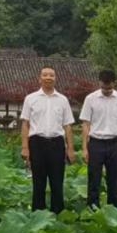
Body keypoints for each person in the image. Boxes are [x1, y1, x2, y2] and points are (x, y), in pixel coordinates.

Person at [20, 66, 75, 214]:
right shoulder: (30, 99)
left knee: (57, 181)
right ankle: (38, 214)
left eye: (51, 75)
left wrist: (70, 149)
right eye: (45, 75)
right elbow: (25, 124)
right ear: (40, 78)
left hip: (57, 143)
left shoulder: (62, 100)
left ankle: (58, 213)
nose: (48, 77)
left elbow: (68, 125)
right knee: (38, 181)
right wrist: (25, 147)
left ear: (55, 79)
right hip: (37, 143)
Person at [80, 69, 117, 209]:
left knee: (114, 182)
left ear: (114, 83)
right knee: (94, 181)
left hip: (114, 143)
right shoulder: (90, 99)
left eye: (109, 87)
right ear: (99, 83)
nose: (107, 90)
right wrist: (85, 148)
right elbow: (86, 124)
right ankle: (92, 210)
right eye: (104, 87)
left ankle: (114, 212)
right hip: (96, 143)